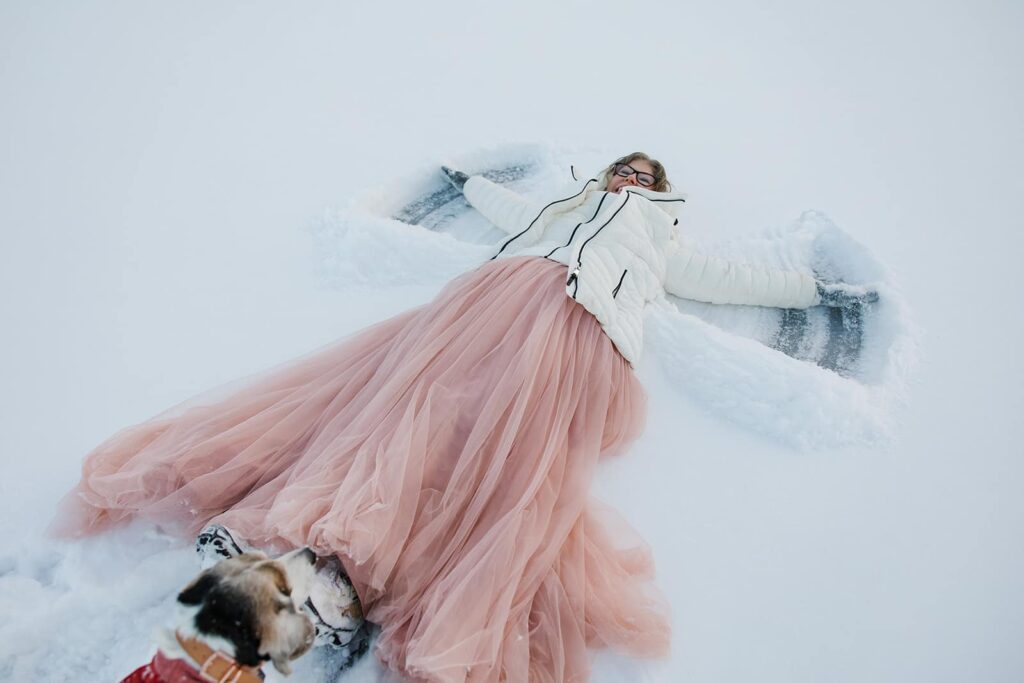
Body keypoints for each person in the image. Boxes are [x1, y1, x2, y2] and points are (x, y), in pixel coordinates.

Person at [51, 152, 873, 683]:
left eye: (643, 175)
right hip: (490, 303)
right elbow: (505, 212)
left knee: (497, 455)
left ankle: (322, 588)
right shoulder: (567, 207)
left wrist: (810, 291)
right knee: (406, 411)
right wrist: (460, 182)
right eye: (623, 167)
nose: (628, 177)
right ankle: (274, 603)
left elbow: (723, 278)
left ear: (660, 194)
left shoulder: (657, 240)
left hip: (572, 329)